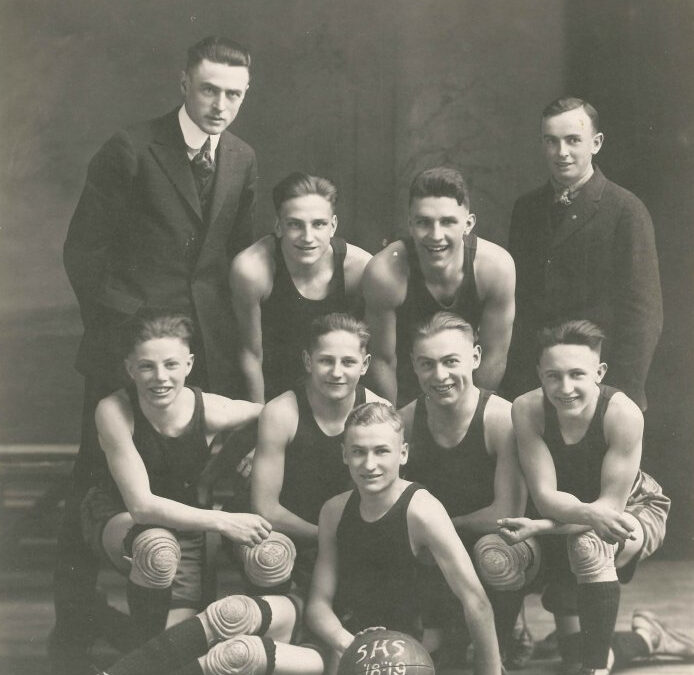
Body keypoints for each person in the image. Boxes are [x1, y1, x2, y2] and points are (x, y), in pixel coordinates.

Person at [58, 36, 257, 672]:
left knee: (194, 482)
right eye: (209, 90)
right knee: (95, 486)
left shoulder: (243, 157)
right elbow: (84, 254)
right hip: (130, 352)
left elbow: (239, 261)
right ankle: (72, 629)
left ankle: (172, 629)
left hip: (203, 354)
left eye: (234, 94)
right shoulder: (132, 150)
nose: (221, 105)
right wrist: (133, 352)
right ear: (183, 84)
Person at [80, 311, 270, 644]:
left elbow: (277, 414)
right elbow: (141, 507)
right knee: (157, 548)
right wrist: (224, 522)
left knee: (175, 642)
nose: (160, 378)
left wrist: (254, 451)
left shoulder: (212, 409)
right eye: (146, 366)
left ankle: (126, 641)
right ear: (130, 369)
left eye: (171, 364)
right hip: (117, 516)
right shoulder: (113, 410)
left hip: (187, 522)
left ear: (189, 364)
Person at [508, 320, 683, 674]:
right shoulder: (527, 409)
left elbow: (607, 515)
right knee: (575, 653)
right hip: (567, 514)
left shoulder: (623, 413)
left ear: (599, 372)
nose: (565, 387)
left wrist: (541, 527)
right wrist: (546, 521)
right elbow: (545, 496)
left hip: (633, 508)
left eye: (577, 374)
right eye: (553, 376)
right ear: (539, 374)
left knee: (590, 543)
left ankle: (596, 671)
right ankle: (649, 637)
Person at [306, 401, 503, 675]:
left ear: (403, 453)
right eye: (358, 452)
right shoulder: (333, 511)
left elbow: (475, 601)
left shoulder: (422, 511)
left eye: (381, 451)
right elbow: (318, 604)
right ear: (344, 455)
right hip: (358, 645)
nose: (369, 464)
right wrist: (351, 643)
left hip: (420, 653)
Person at [505, 97, 662, 411]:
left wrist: (619, 399)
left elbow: (643, 316)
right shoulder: (526, 209)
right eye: (552, 141)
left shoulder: (625, 210)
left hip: (600, 386)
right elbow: (517, 302)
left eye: (573, 140)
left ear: (596, 143)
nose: (561, 152)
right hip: (535, 384)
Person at [399, 312, 535, 664]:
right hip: (437, 552)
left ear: (475, 358)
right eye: (427, 364)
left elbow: (507, 514)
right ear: (413, 365)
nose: (439, 375)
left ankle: (501, 636)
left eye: (450, 362)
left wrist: (442, 528)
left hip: (499, 541)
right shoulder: (407, 420)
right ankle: (435, 631)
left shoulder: (501, 418)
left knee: (496, 550)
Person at [250, 312, 386, 590]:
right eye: (326, 360)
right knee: (269, 559)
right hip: (287, 531)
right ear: (308, 361)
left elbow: (384, 497)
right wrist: (329, 537)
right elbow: (265, 509)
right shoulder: (281, 413)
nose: (337, 372)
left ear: (365, 365)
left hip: (344, 534)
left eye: (348, 362)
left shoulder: (379, 412)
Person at [362, 166, 515, 406]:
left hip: (469, 387)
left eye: (447, 222)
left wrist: (472, 415)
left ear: (468, 223)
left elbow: (494, 355)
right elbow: (383, 360)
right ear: (410, 224)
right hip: (408, 390)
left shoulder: (495, 267)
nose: (435, 235)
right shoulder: (385, 272)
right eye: (424, 222)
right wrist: (393, 422)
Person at [230, 172, 372, 403]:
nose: (308, 237)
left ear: (333, 225)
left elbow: (374, 354)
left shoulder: (360, 268)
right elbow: (250, 354)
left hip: (339, 392)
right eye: (295, 225)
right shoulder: (252, 270)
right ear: (278, 226)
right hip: (276, 393)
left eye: (319, 224)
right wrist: (261, 417)